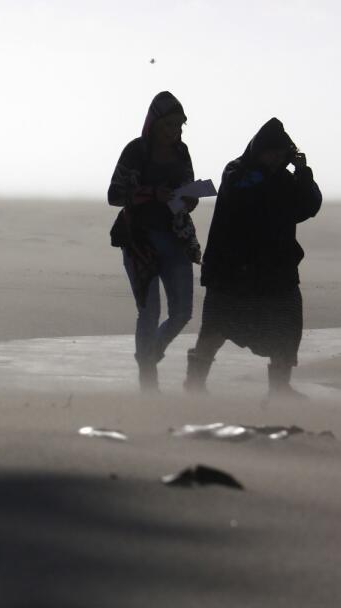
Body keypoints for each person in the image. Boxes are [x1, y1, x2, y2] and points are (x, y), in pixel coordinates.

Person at [184, 118, 322, 397]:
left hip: (276, 271)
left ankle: (280, 388)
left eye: (280, 153)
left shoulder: (285, 180)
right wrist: (275, 175)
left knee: (287, 327)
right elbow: (244, 192)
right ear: (257, 150)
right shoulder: (237, 172)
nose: (275, 158)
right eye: (270, 152)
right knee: (215, 329)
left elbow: (309, 205)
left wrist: (303, 171)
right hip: (232, 269)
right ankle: (195, 383)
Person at [108, 91, 202, 392]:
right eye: (169, 125)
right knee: (149, 312)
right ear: (154, 124)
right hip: (139, 242)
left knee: (183, 312)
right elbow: (114, 195)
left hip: (176, 238)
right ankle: (147, 375)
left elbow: (190, 193)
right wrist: (151, 194)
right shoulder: (135, 151)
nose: (174, 132)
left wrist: (187, 198)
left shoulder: (182, 152)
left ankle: (149, 356)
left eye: (179, 126)